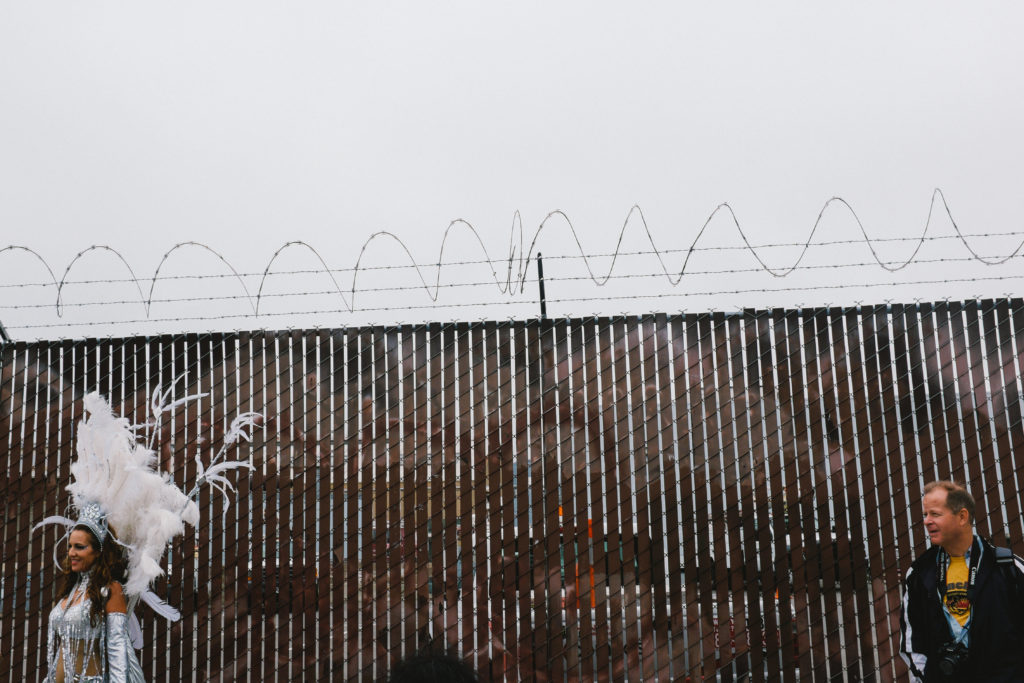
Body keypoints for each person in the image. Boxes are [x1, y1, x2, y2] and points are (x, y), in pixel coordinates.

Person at [899, 480, 1024, 682]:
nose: (926, 521)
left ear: (962, 516)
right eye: (925, 515)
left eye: (935, 514)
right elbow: (913, 643)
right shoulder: (919, 573)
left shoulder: (1007, 568)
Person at [45, 520, 145, 683]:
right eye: (70, 546)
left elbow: (117, 648)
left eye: (79, 547)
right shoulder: (72, 589)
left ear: (98, 551)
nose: (71, 553)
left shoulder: (111, 589)